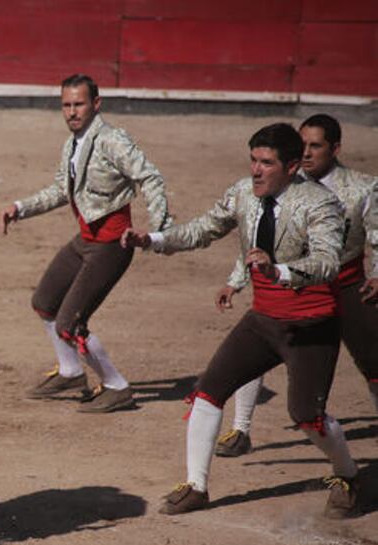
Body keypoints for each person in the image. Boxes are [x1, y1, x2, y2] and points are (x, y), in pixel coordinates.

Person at [122, 123, 362, 518]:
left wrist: (278, 270)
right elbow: (203, 229)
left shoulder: (320, 203)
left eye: (266, 163)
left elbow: (326, 261)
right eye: (253, 160)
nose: (255, 170)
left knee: (306, 417)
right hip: (264, 318)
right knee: (208, 390)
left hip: (310, 325)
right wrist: (153, 240)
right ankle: (196, 485)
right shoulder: (242, 195)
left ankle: (348, 475)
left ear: (291, 166)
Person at [1, 73, 172, 413]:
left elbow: (150, 176)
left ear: (96, 104)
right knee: (44, 301)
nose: (72, 112)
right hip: (86, 238)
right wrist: (20, 208)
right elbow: (60, 192)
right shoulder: (73, 143)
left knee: (69, 323)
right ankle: (70, 371)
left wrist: (160, 229)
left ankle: (117, 386)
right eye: (66, 105)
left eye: (78, 104)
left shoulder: (112, 140)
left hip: (112, 244)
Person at [213, 114, 378, 457]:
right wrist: (237, 279)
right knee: (256, 347)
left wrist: (377, 272)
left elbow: (377, 237)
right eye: (302, 145)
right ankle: (240, 428)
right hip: (285, 283)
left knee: (373, 361)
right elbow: (255, 242)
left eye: (315, 146)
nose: (306, 153)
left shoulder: (362, 187)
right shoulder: (278, 186)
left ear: (335, 149)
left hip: (347, 285)